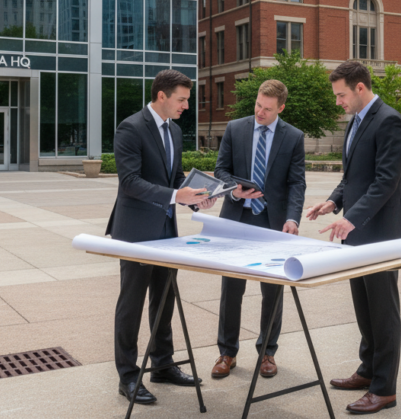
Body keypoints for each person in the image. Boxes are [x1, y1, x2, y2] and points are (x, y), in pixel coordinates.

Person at [305, 61, 401, 415]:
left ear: (360, 88)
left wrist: (350, 218)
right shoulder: (357, 121)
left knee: (384, 314)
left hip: (381, 235)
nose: (338, 102)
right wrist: (334, 201)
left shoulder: (390, 121)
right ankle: (367, 371)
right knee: (364, 311)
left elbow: (385, 182)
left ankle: (384, 389)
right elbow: (353, 178)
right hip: (356, 233)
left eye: (341, 95)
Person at [106, 69, 217, 406]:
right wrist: (175, 196)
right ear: (162, 96)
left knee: (164, 300)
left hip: (166, 230)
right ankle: (127, 376)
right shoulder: (130, 128)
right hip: (136, 232)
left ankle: (163, 365)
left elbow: (175, 177)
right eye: (182, 99)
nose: (186, 105)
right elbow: (130, 182)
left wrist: (198, 195)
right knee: (132, 304)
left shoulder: (175, 130)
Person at [210, 79, 307, 380]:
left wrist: (293, 218)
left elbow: (296, 182)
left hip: (273, 224)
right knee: (232, 290)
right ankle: (227, 353)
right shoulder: (235, 129)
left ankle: (268, 352)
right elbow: (220, 170)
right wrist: (235, 190)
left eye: (267, 108)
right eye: (257, 105)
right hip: (237, 220)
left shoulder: (293, 137)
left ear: (281, 107)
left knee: (272, 291)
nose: (260, 113)